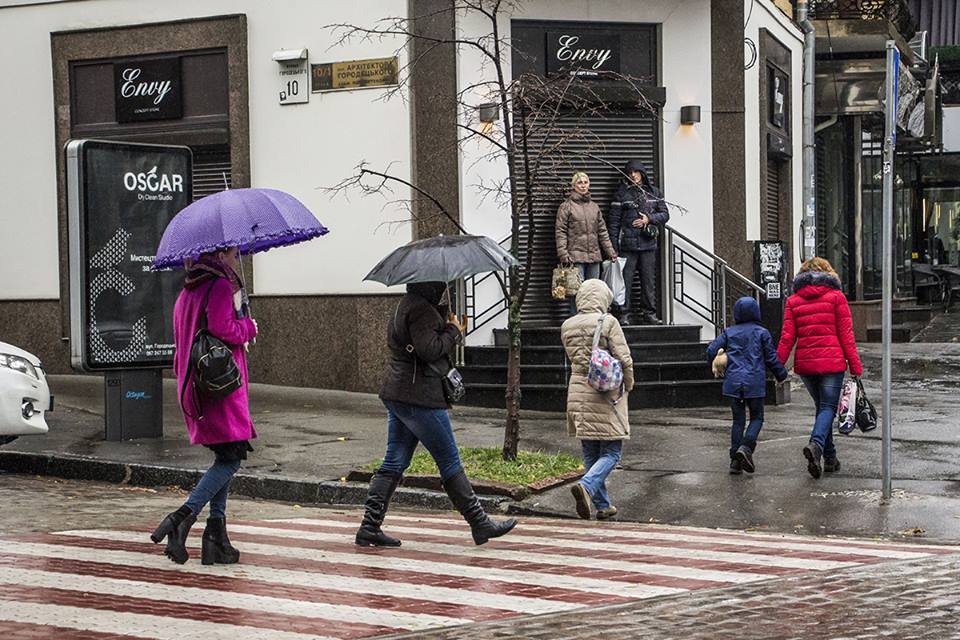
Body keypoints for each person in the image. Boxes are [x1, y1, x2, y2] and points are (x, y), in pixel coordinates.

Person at [355, 281, 516, 546]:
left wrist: (444, 321)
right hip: (420, 397)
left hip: (399, 393)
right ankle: (479, 523)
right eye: (441, 283)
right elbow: (429, 349)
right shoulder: (420, 310)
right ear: (430, 284)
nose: (444, 288)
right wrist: (453, 329)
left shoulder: (406, 305)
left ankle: (369, 527)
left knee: (395, 460)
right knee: (449, 460)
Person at [151, 246, 257, 565]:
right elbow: (224, 329)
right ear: (221, 253)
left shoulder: (189, 290)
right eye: (234, 252)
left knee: (226, 455)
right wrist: (249, 328)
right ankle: (183, 516)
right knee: (231, 459)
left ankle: (216, 537)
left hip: (195, 385)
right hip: (219, 387)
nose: (236, 257)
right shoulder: (220, 285)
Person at [777, 257, 863, 479]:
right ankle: (816, 445)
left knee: (822, 409)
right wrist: (855, 365)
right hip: (832, 362)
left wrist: (776, 366)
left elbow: (787, 337)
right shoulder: (836, 298)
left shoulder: (794, 300)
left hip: (806, 365)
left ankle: (830, 458)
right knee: (827, 409)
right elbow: (846, 334)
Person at [560, 279, 635, 520]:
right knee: (612, 451)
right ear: (604, 298)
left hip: (578, 391)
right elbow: (624, 358)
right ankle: (587, 486)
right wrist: (629, 383)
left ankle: (603, 505)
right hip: (605, 392)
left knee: (591, 451)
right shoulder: (608, 322)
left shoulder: (567, 325)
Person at [706, 297, 788, 475]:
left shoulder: (729, 332)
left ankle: (735, 462)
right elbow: (771, 358)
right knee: (757, 417)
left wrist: (716, 362)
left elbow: (711, 350)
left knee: (738, 421)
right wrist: (781, 375)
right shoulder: (761, 333)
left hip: (733, 383)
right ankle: (746, 447)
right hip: (754, 383)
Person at [607, 159, 670, 325]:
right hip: (627, 246)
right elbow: (613, 222)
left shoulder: (654, 193)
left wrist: (649, 219)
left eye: (636, 172)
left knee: (648, 282)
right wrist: (613, 246)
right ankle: (623, 315)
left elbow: (665, 214)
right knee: (625, 282)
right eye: (630, 173)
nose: (633, 175)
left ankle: (649, 314)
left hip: (648, 245)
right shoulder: (621, 194)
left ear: (642, 173)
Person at [555, 172, 618, 314]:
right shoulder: (566, 207)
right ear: (573, 186)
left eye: (585, 182)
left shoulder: (594, 207)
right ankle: (575, 321)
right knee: (577, 292)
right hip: (575, 257)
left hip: (594, 257)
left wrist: (610, 252)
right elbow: (560, 232)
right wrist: (563, 253)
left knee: (593, 292)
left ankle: (592, 322)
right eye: (579, 182)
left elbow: (602, 232)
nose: (583, 185)